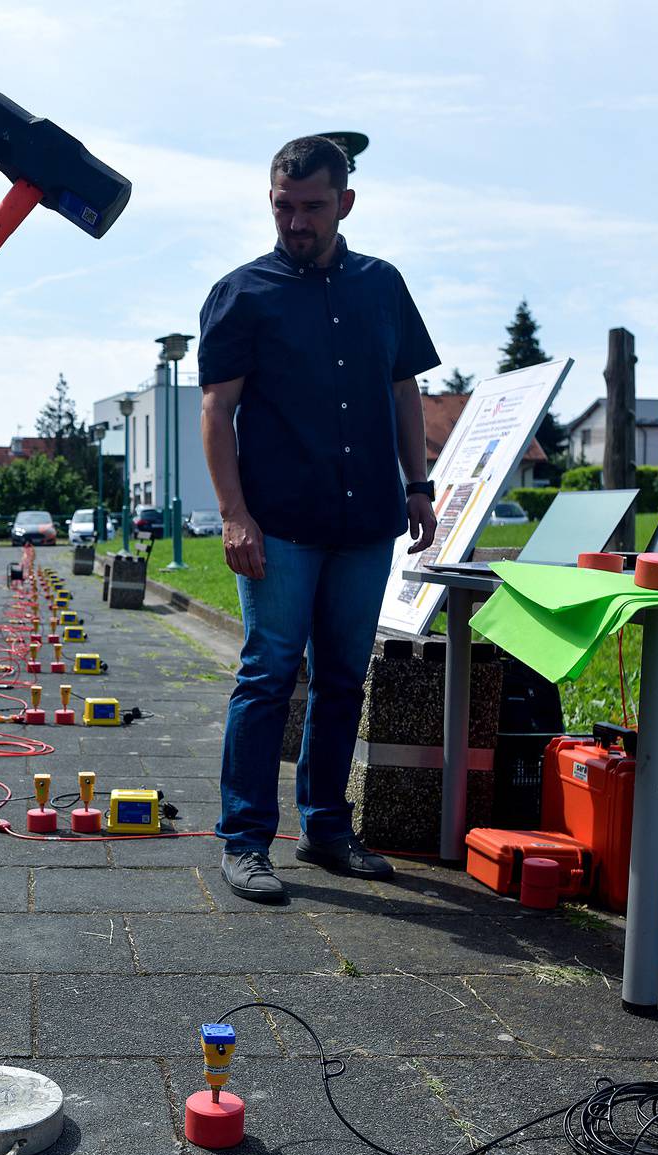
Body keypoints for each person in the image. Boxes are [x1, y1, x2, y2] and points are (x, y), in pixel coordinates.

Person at [197, 136, 440, 904]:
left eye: (312, 207)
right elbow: (217, 411)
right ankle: (245, 841)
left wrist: (419, 486)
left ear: (346, 203)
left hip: (365, 520)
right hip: (280, 527)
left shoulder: (382, 286)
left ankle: (328, 829)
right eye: (283, 206)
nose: (296, 222)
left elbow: (404, 392)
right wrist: (235, 515)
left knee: (342, 679)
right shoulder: (243, 294)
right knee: (269, 675)